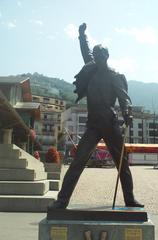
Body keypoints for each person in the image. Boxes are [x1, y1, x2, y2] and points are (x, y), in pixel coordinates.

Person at [50, 23, 144, 209]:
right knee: (78, 162)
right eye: (96, 55)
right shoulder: (90, 70)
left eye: (102, 55)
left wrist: (127, 113)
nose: (98, 58)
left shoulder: (115, 76)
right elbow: (86, 50)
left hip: (110, 122)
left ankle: (130, 199)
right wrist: (81, 34)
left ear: (107, 57)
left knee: (121, 162)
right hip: (93, 124)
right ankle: (62, 201)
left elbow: (124, 99)